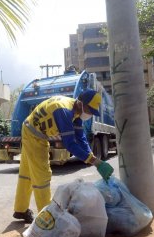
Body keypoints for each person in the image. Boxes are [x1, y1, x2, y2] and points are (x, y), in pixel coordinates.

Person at [13, 89, 114, 223]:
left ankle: (20, 210)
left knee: (26, 174)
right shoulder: (63, 111)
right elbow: (70, 144)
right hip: (34, 135)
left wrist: (91, 156)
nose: (89, 114)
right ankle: (47, 219)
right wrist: (95, 162)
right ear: (80, 103)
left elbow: (80, 137)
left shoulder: (76, 112)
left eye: (92, 112)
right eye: (89, 110)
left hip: (31, 129)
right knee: (42, 175)